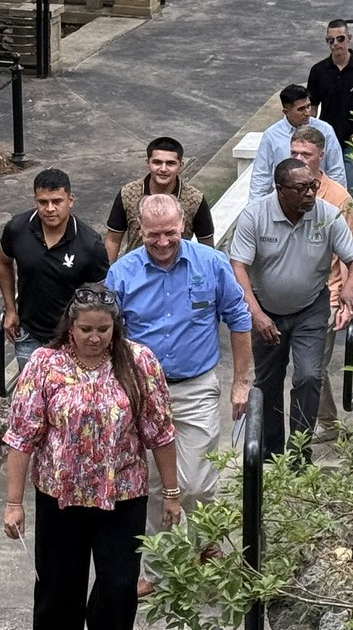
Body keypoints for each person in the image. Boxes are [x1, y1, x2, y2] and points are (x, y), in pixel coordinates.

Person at [3, 284, 180, 630]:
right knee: (58, 593)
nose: (95, 338)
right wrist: (13, 502)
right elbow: (22, 435)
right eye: (86, 329)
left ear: (115, 326)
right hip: (60, 498)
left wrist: (171, 494)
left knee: (118, 588)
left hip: (123, 497)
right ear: (70, 327)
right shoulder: (45, 364)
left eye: (103, 329)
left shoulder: (139, 361)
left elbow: (160, 432)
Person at [104, 194, 253, 598]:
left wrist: (242, 381)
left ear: (183, 223)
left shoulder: (211, 263)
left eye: (170, 232)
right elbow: (105, 334)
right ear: (140, 230)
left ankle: (206, 542)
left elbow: (238, 319)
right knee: (152, 483)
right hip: (142, 390)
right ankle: (158, 565)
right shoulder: (122, 273)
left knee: (197, 480)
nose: (163, 241)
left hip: (196, 386)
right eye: (154, 235)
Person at [230, 159, 353, 462]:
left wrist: (348, 287)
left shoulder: (327, 216)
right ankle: (270, 451)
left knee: (308, 376)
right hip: (266, 309)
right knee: (268, 381)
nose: (310, 193)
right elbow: (238, 267)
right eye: (301, 188)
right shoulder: (255, 215)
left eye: (313, 186)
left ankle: (298, 450)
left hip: (310, 308)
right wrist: (256, 313)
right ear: (280, 189)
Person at [0, 168, 109, 369]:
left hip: (73, 340)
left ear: (70, 200)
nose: (50, 208)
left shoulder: (90, 245)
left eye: (57, 201)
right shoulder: (17, 228)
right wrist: (10, 310)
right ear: (35, 201)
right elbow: (4, 262)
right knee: (31, 397)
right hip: (29, 334)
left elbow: (102, 296)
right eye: (43, 202)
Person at [289, 125, 353, 442]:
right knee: (302, 365)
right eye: (295, 154)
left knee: (312, 365)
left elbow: (349, 254)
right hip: (288, 294)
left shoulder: (338, 198)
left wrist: (345, 298)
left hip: (325, 295)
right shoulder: (282, 190)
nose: (300, 159)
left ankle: (323, 422)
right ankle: (326, 418)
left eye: (306, 154)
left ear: (321, 156)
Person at [105, 136, 215, 264]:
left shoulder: (195, 199)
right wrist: (108, 277)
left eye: (170, 163)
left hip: (179, 273)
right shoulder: (128, 193)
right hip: (135, 273)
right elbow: (113, 240)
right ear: (148, 163)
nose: (163, 169)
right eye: (157, 162)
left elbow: (207, 245)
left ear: (181, 165)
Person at [306, 21, 353, 197]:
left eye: (340, 39)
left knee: (348, 190)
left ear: (349, 39)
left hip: (352, 143)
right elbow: (312, 108)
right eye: (331, 40)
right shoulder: (318, 71)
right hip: (326, 141)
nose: (336, 44)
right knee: (322, 189)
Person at [249, 84, 346, 200]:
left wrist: (338, 200)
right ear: (286, 111)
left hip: (319, 198)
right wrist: (254, 208)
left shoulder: (326, 130)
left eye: (308, 106)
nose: (307, 112)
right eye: (301, 109)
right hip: (285, 201)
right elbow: (261, 175)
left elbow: (336, 170)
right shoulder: (271, 135)